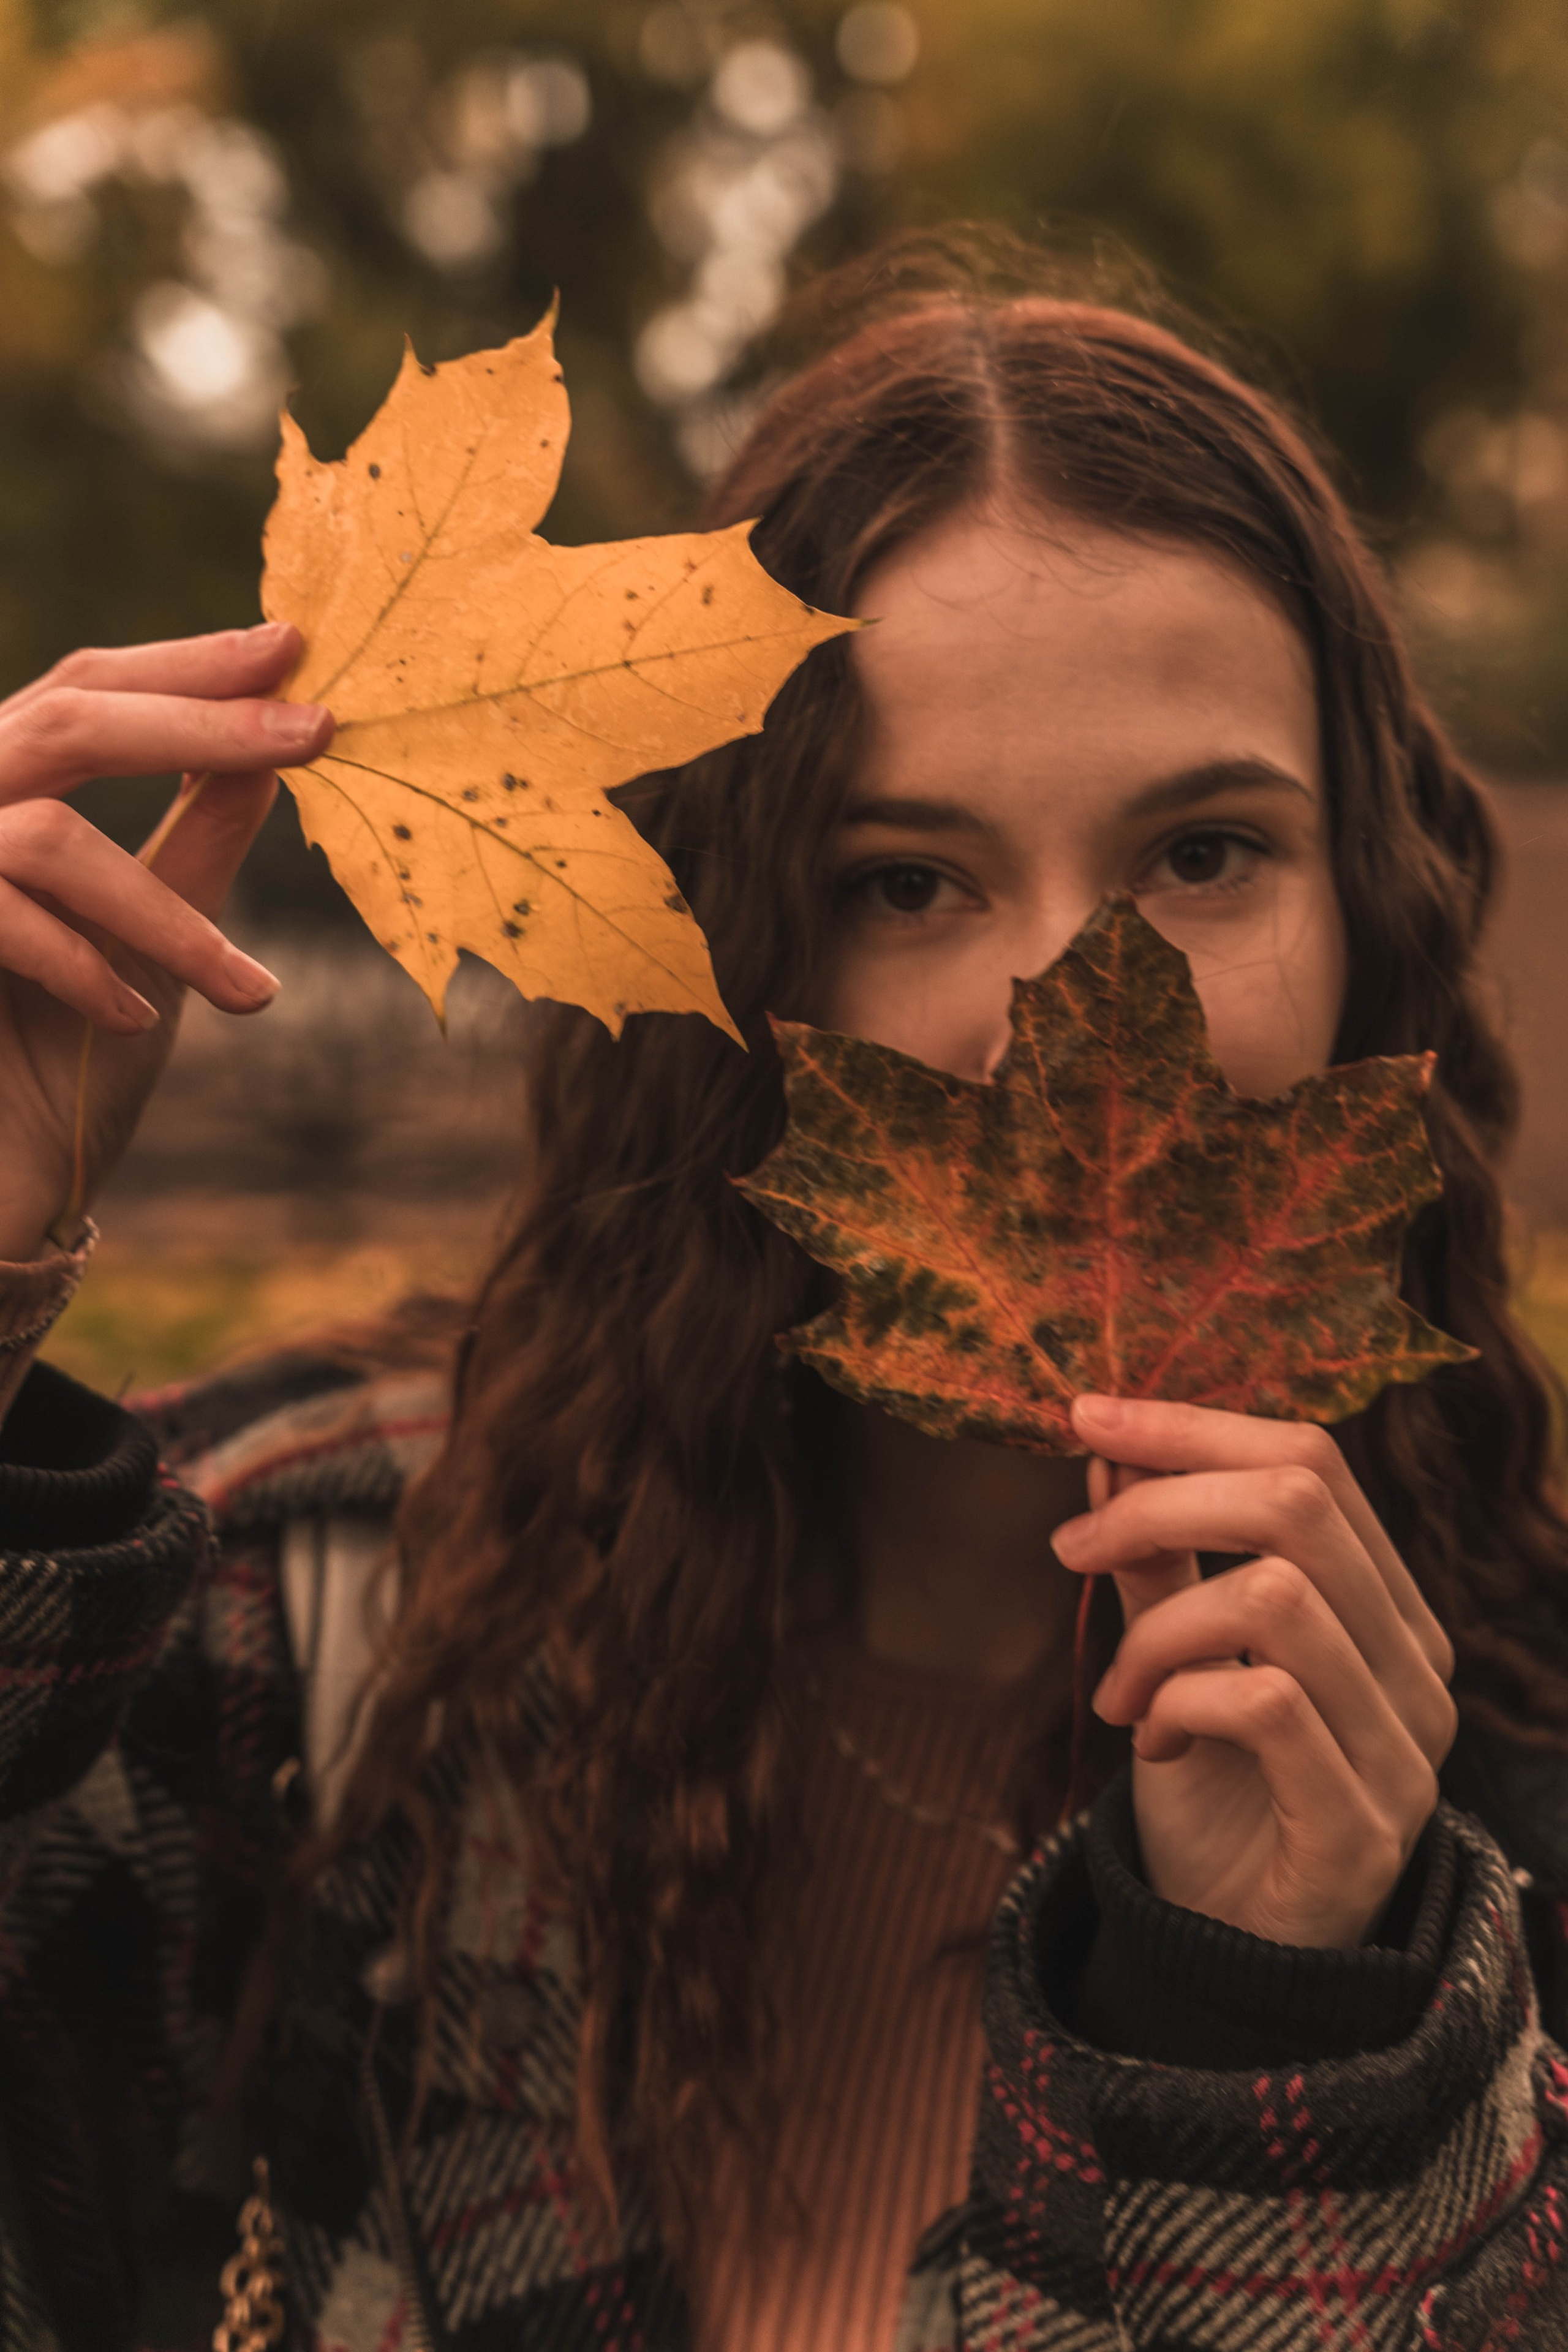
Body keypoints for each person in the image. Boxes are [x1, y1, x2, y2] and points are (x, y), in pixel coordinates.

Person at [0, 244, 1566, 2352]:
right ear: (730, 968)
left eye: (1204, 854)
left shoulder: (1507, 1834)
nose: (1067, 1015)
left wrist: (1271, 2040)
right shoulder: (296, 1628)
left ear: (1373, 911)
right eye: (902, 881)